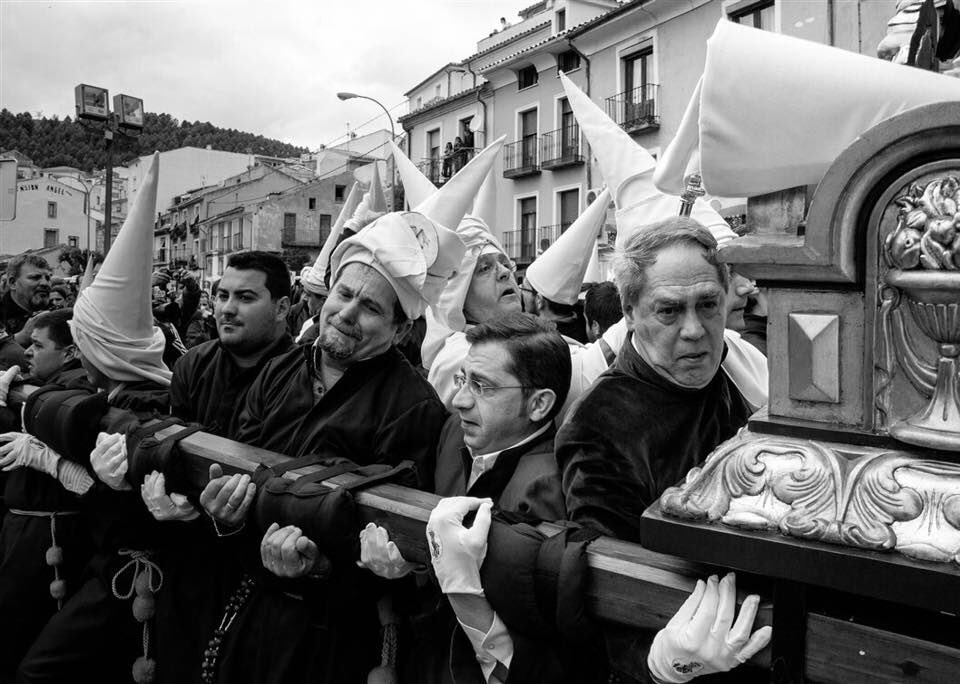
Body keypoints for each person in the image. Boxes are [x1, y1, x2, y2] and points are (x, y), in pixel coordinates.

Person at [200, 209, 463, 684]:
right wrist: (225, 515)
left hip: (336, 632)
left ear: (401, 330)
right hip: (251, 599)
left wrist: (322, 566)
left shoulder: (413, 407)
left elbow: (394, 535)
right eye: (344, 294)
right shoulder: (279, 370)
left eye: (371, 307)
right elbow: (239, 458)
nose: (346, 313)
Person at [17, 153, 172, 684]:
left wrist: (66, 469)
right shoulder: (118, 392)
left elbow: (141, 500)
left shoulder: (142, 405)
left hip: (131, 575)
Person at [361, 313, 571, 683]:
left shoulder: (550, 488)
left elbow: (541, 643)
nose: (459, 401)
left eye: (482, 387)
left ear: (538, 405)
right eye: (463, 380)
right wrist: (406, 569)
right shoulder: (453, 436)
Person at [142, 251, 295, 684]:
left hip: (258, 564)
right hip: (189, 553)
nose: (227, 307)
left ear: (283, 307)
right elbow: (177, 441)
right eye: (222, 294)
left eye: (246, 297)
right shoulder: (193, 363)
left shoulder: (299, 377)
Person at [0, 308, 90, 680]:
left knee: (21, 626)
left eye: (38, 345)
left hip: (46, 535)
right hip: (24, 528)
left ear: (69, 353)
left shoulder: (75, 388)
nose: (29, 353)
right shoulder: (49, 384)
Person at [1, 254, 51, 345]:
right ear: (13, 283)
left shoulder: (54, 312)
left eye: (48, 278)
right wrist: (20, 338)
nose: (45, 283)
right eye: (35, 277)